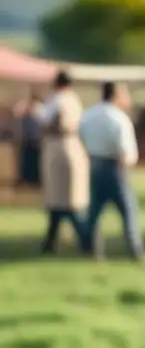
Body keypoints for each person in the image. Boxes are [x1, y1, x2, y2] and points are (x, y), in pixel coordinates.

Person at [80, 81, 145, 261]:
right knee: (128, 210)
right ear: (116, 95)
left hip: (95, 164)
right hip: (116, 167)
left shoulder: (89, 115)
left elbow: (82, 137)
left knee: (94, 211)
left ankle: (92, 250)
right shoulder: (119, 118)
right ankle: (136, 250)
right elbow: (127, 149)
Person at [38, 70, 90, 254]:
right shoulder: (74, 100)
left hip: (58, 150)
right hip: (74, 148)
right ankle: (51, 242)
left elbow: (49, 120)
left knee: (64, 201)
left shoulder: (57, 100)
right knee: (64, 200)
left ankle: (85, 239)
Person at [16, 91, 44, 186]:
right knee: (27, 160)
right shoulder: (25, 107)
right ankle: (27, 178)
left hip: (36, 139)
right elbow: (17, 112)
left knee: (35, 160)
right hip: (27, 139)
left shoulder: (40, 108)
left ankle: (35, 179)